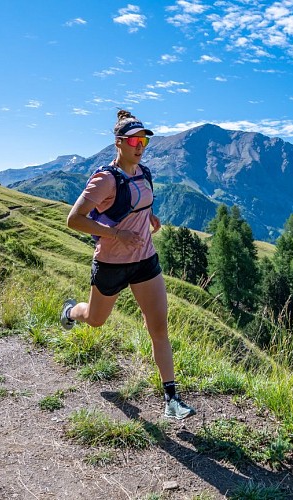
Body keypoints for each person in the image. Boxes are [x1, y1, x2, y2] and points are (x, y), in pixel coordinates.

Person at [60, 109, 194, 420]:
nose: (141, 145)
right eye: (135, 140)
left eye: (144, 140)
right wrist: (115, 233)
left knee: (158, 327)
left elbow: (140, 205)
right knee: (95, 319)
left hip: (145, 261)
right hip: (111, 264)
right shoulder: (104, 179)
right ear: (119, 143)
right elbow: (74, 220)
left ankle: (172, 400)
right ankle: (69, 312)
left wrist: (150, 217)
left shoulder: (144, 173)